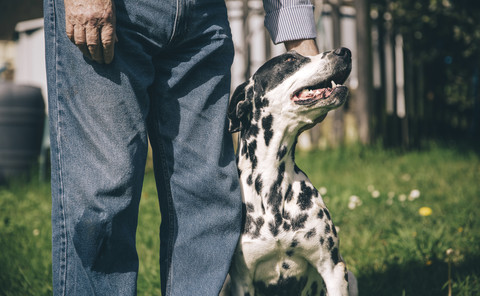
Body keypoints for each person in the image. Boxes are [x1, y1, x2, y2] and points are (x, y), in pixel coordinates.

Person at [43, 0, 319, 294]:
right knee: (103, 200)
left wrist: (298, 31)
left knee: (208, 196)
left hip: (203, 19)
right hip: (116, 12)